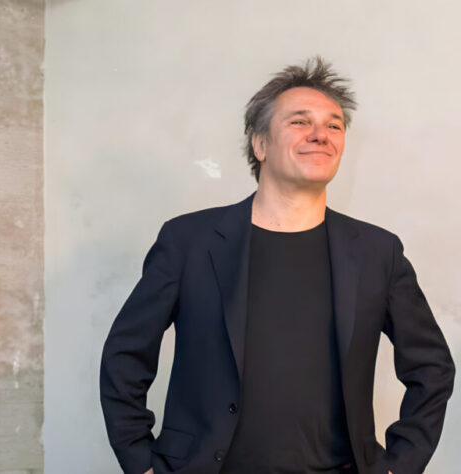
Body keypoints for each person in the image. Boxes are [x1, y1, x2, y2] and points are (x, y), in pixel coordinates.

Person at [100, 57, 454, 474]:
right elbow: (125, 355)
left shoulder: (379, 252)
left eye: (334, 125)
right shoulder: (188, 242)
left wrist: (399, 465)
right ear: (260, 145)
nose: (320, 135)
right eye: (300, 122)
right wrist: (140, 462)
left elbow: (432, 367)